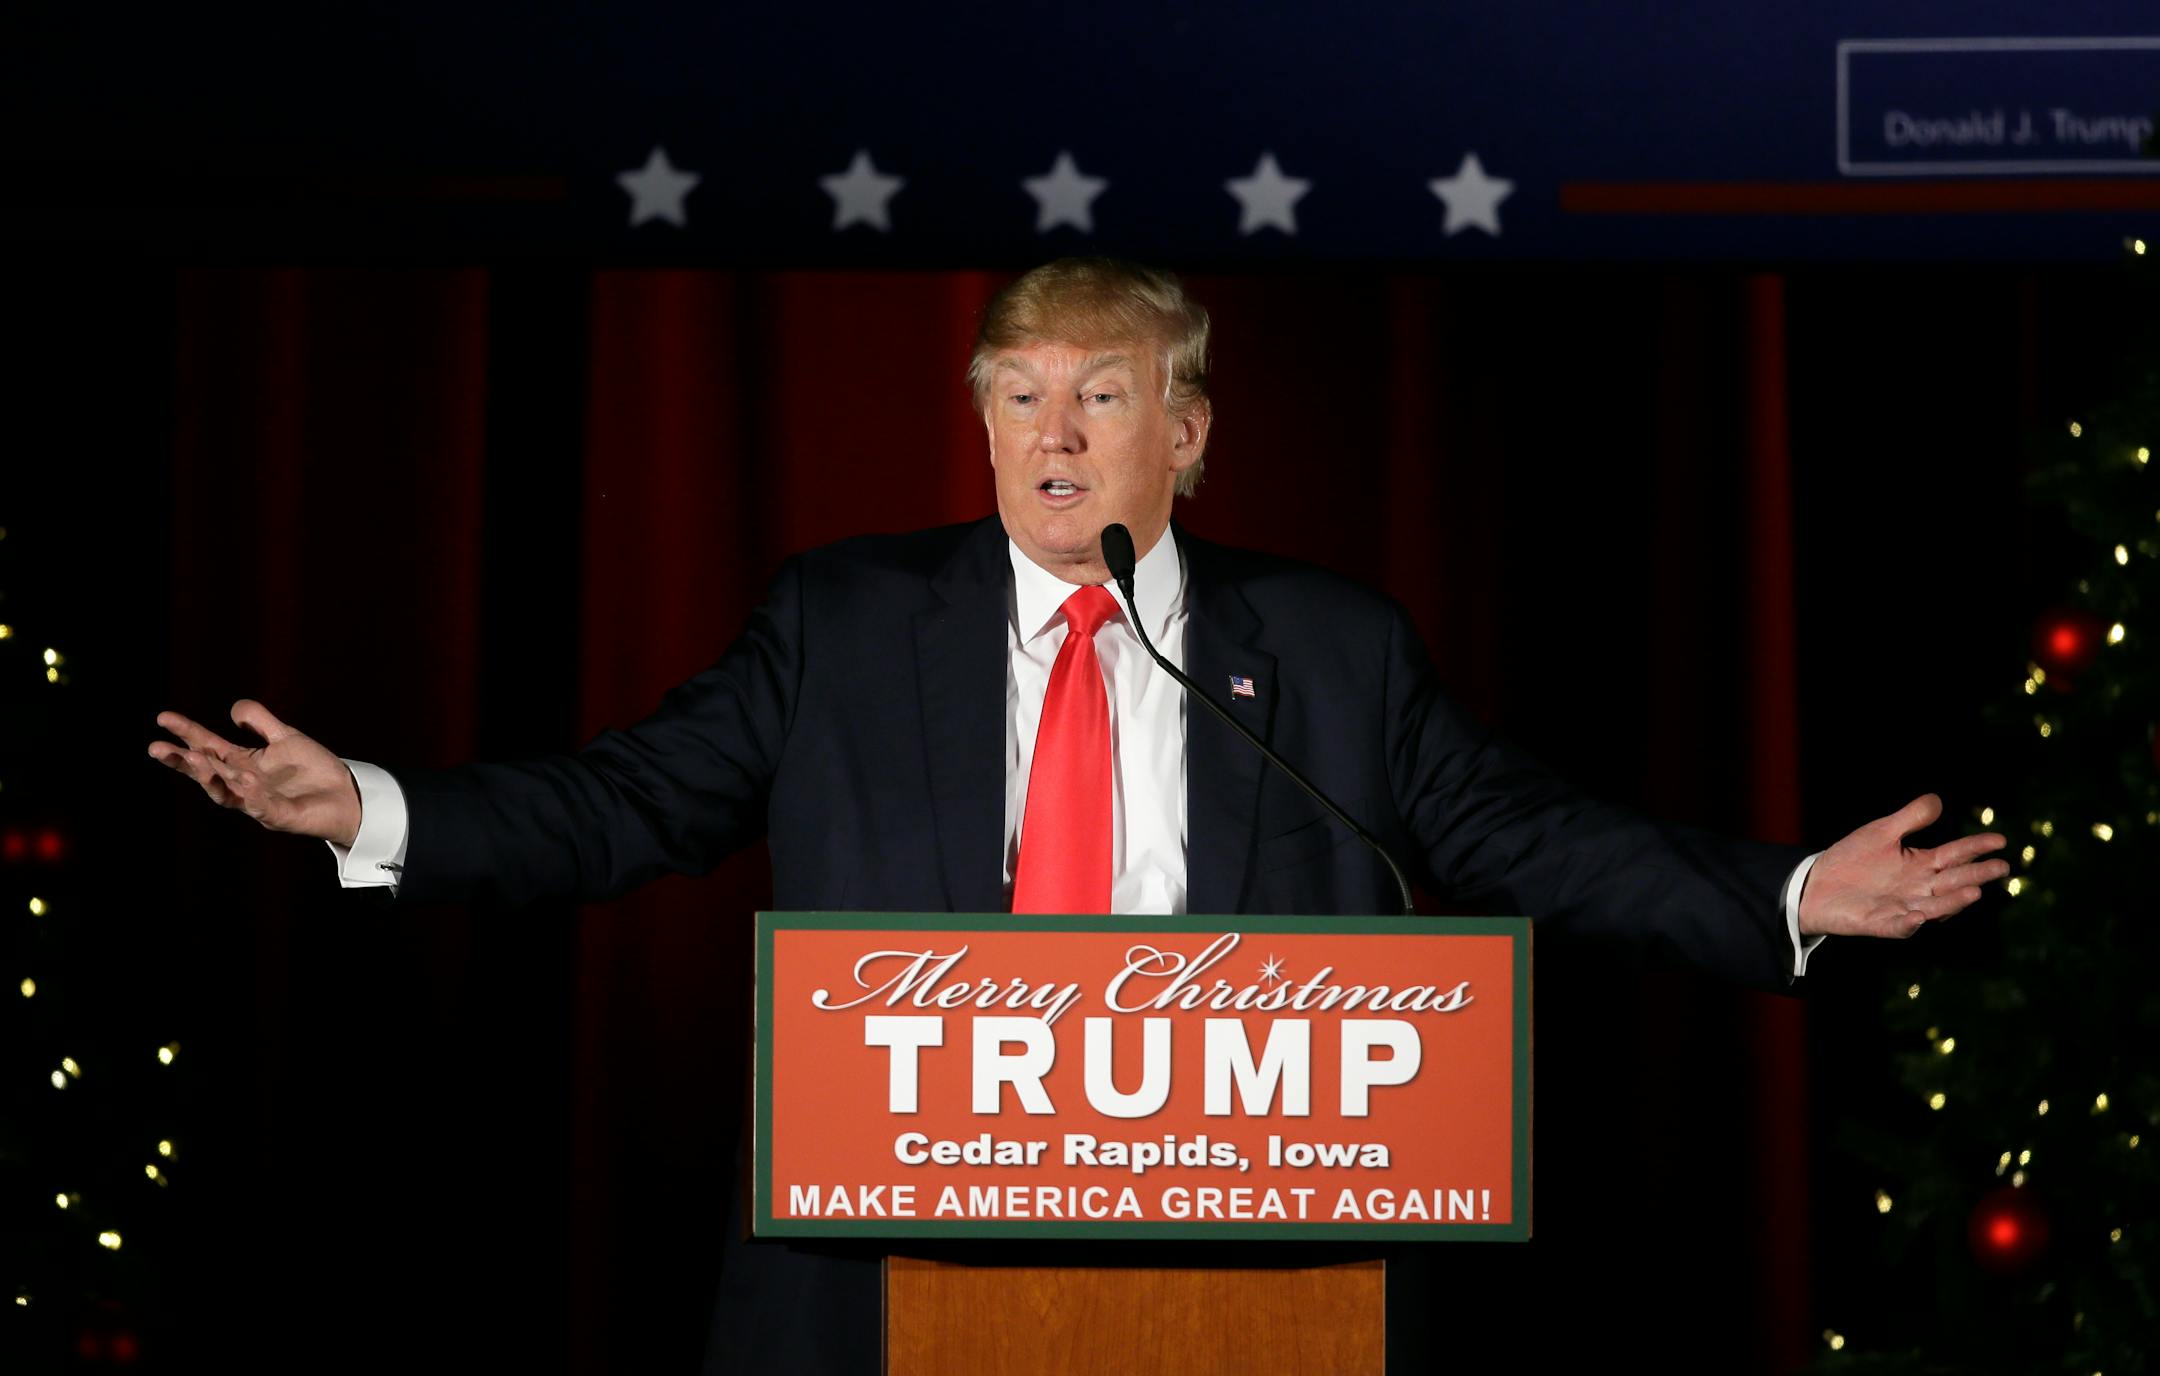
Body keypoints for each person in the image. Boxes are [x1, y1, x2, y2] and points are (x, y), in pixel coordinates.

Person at [148, 256, 2010, 1371]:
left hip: (1243, 1283)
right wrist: (370, 810)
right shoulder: (841, 624)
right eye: (1019, 395)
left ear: (1186, 434)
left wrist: (1784, 892)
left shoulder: (1334, 653)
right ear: (977, 423)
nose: (1053, 433)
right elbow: (625, 806)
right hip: (891, 1285)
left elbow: (1523, 832)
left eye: (1100, 396)